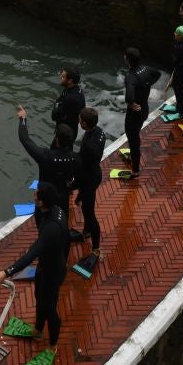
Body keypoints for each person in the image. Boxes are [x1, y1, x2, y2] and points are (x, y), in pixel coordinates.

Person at [0, 183, 69, 348]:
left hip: (52, 273)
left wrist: (6, 272)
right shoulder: (56, 210)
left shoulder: (51, 229)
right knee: (39, 299)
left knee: (50, 309)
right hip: (47, 266)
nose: (34, 194)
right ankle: (38, 331)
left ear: (41, 202)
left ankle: (52, 347)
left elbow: (30, 255)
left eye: (36, 194)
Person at [17, 107, 80, 224]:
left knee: (42, 225)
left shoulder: (45, 156)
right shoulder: (76, 158)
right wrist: (69, 187)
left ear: (56, 139)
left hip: (45, 197)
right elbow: (83, 177)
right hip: (62, 196)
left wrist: (23, 119)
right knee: (62, 222)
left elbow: (25, 139)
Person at [73, 107, 105, 271]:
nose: (78, 122)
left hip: (89, 179)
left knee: (89, 214)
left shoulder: (89, 147)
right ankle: (85, 233)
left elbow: (82, 169)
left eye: (80, 120)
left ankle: (96, 249)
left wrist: (74, 186)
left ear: (85, 123)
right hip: (94, 173)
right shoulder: (99, 131)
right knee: (86, 208)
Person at [122, 47, 161, 176]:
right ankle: (133, 154)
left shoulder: (130, 76)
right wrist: (147, 84)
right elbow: (158, 74)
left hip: (134, 113)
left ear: (127, 59)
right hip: (144, 109)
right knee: (135, 134)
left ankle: (135, 170)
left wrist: (131, 103)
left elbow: (129, 96)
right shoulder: (147, 69)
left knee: (133, 139)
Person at [51, 67, 86, 142]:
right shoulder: (75, 89)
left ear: (70, 80)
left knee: (57, 152)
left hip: (65, 135)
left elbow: (54, 116)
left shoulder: (71, 98)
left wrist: (57, 104)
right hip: (69, 130)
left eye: (63, 76)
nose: (60, 77)